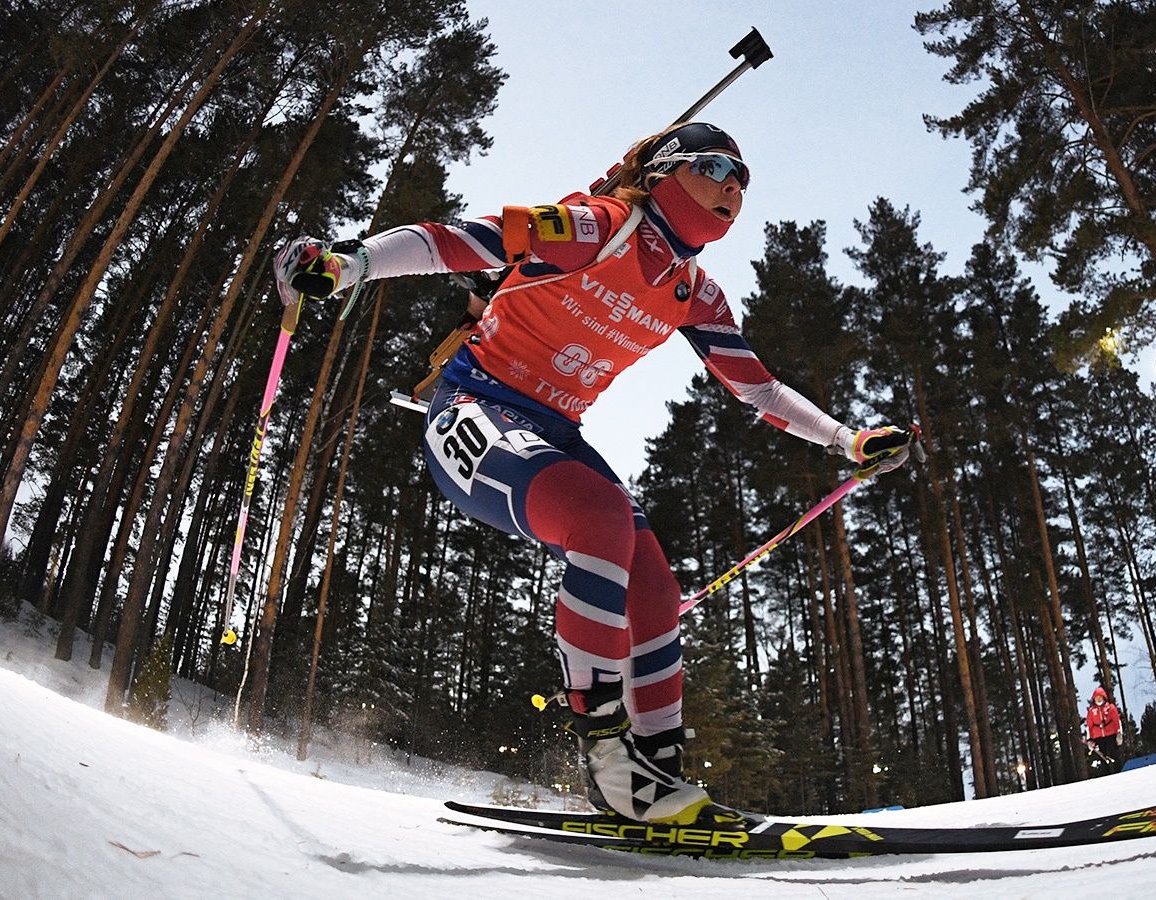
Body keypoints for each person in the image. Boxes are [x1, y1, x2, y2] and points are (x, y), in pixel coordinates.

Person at [272, 123, 915, 825]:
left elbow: (756, 388)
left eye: (743, 178)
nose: (733, 185)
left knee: (655, 586)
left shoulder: (696, 292)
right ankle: (610, 763)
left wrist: (847, 440)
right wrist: (347, 265)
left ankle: (657, 774)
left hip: (553, 429)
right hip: (476, 405)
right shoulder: (598, 226)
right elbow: (459, 239)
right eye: (714, 166)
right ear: (665, 173)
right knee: (601, 520)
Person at [1085, 686, 1123, 773]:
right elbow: (1089, 726)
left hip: (1111, 735)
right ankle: (1106, 777)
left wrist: (1119, 733)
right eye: (1096, 697)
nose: (1098, 699)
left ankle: (1119, 773)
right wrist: (1089, 740)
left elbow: (1117, 721)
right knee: (1102, 758)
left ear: (1103, 697)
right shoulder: (1091, 711)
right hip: (1098, 738)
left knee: (1114, 755)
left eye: (1100, 697)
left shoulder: (1111, 708)